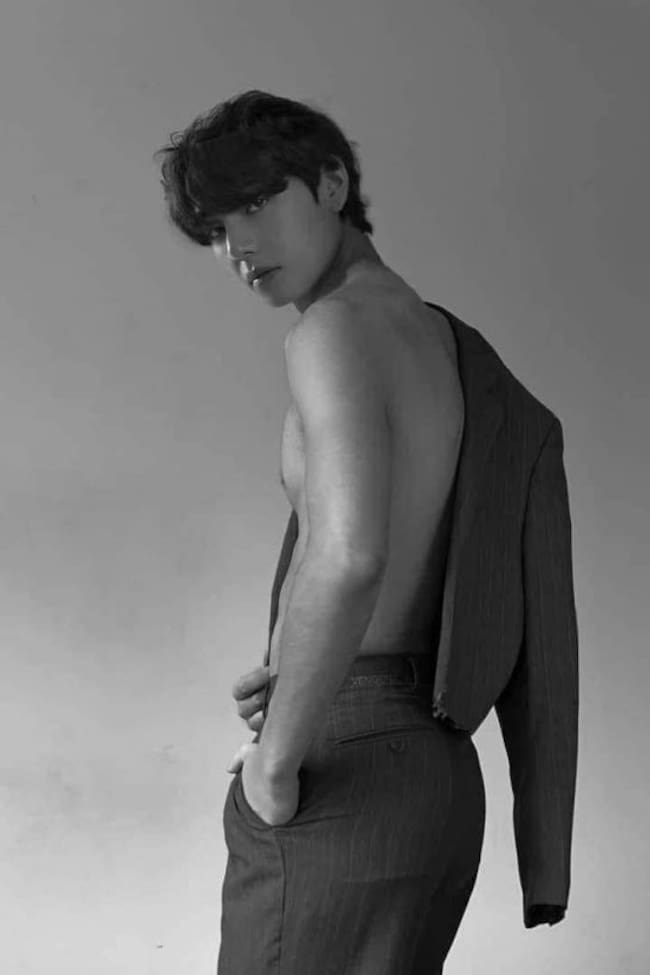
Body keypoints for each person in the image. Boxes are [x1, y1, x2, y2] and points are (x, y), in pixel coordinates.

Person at [154, 89, 579, 974]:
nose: (237, 246)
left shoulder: (333, 330)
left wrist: (275, 762)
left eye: (256, 202)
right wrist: (289, 668)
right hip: (435, 773)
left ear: (333, 183)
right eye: (217, 229)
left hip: (345, 765)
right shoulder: (450, 352)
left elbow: (349, 557)